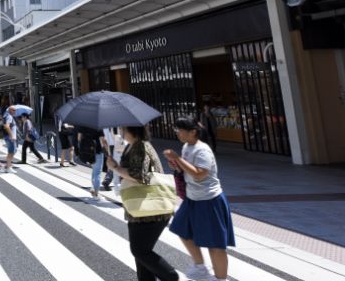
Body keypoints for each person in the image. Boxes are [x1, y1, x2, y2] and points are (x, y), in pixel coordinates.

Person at [104, 126, 179, 281]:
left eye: (123, 128)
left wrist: (116, 168)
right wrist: (108, 152)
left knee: (140, 251)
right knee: (141, 256)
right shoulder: (132, 145)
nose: (120, 131)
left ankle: (170, 276)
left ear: (132, 130)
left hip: (150, 210)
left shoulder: (141, 146)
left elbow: (140, 176)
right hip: (140, 208)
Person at [165, 117, 234, 281]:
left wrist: (179, 159)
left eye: (179, 130)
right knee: (181, 228)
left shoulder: (202, 150)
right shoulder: (187, 146)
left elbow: (200, 174)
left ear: (193, 132)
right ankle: (201, 266)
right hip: (192, 198)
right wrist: (176, 165)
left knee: (215, 244)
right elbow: (188, 170)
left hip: (210, 200)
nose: (177, 133)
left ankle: (220, 278)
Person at [78, 126, 107, 202]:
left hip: (88, 151)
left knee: (94, 170)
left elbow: (79, 138)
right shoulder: (98, 126)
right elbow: (102, 140)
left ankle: (93, 188)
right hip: (97, 151)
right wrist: (107, 149)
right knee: (97, 172)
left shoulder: (83, 124)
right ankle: (96, 194)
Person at [1, 105, 18, 174]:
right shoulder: (9, 116)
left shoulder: (6, 115)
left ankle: (7, 166)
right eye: (13, 110)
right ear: (10, 110)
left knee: (12, 151)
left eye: (15, 110)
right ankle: (8, 167)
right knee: (11, 152)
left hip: (8, 137)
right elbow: (7, 126)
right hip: (10, 137)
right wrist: (12, 136)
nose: (15, 111)